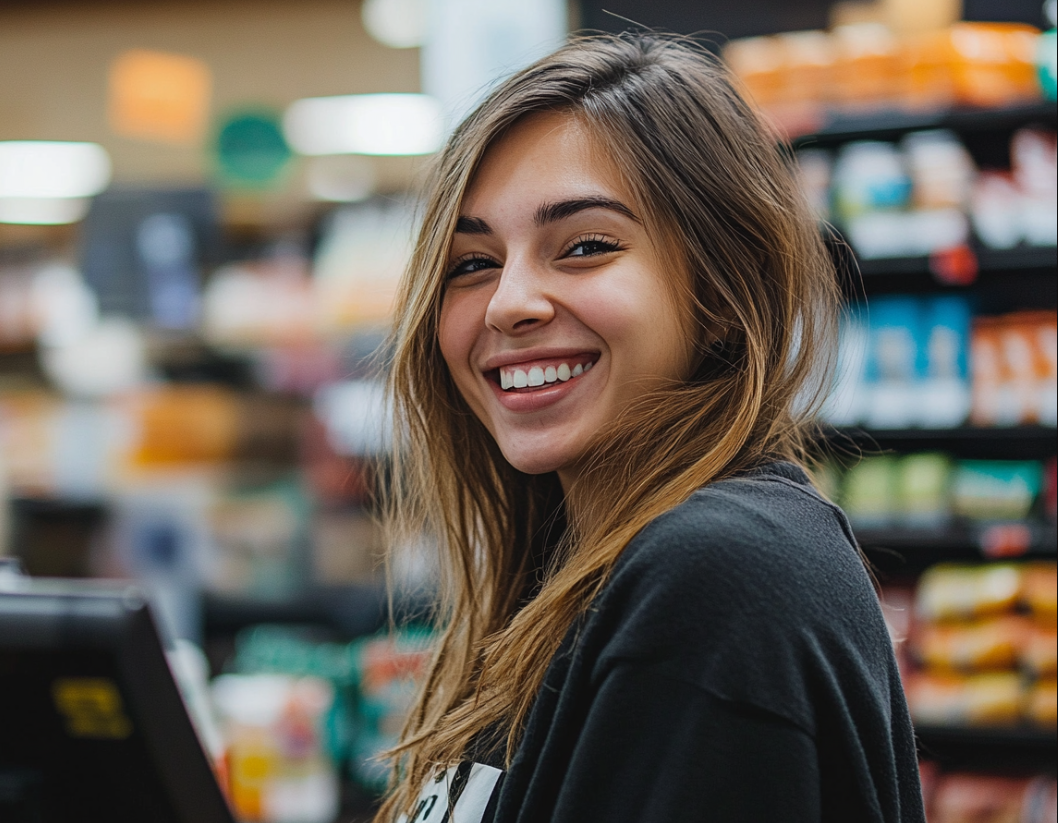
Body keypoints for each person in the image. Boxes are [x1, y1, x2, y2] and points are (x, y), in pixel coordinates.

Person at [374, 32, 925, 823]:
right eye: (471, 263)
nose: (506, 302)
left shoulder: (716, 575)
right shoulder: (579, 574)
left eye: (585, 247)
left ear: (719, 295)